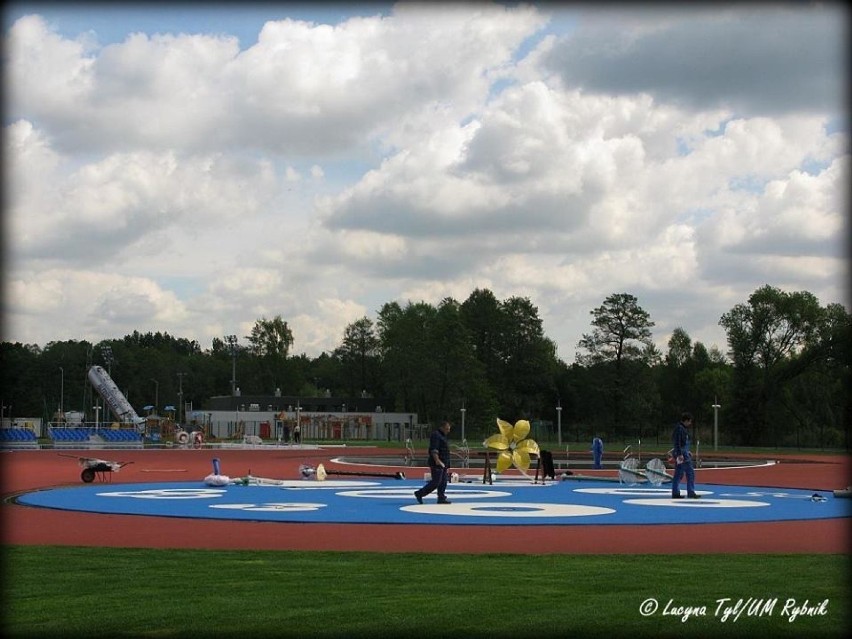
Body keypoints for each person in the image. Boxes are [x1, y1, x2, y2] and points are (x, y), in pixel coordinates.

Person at [414, 421, 452, 504]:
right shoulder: (436, 435)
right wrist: (437, 460)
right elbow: (434, 449)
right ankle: (420, 493)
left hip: (444, 462)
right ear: (442, 427)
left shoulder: (443, 436)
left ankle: (441, 497)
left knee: (443, 481)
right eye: (447, 429)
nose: (448, 431)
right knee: (436, 481)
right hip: (438, 462)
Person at [671, 411, 699, 499]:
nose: (690, 423)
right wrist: (680, 453)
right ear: (686, 421)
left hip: (682, 452)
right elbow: (678, 442)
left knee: (679, 473)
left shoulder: (679, 428)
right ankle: (690, 492)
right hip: (682, 453)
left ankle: (675, 492)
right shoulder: (680, 429)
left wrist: (686, 451)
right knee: (690, 472)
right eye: (690, 421)